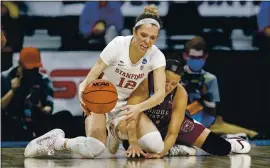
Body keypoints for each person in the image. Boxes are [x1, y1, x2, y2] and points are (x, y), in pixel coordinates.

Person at [25, 5, 167, 158]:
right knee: (94, 149)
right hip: (101, 99)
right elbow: (94, 73)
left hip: (126, 106)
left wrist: (139, 107)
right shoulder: (118, 44)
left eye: (152, 38)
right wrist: (83, 90)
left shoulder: (157, 56)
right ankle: (57, 141)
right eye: (143, 35)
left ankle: (115, 131)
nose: (147, 41)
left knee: (156, 145)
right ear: (134, 31)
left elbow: (160, 94)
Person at [122, 59, 251, 158]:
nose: (168, 87)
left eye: (173, 84)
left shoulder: (180, 92)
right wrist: (133, 142)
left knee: (221, 149)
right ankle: (178, 148)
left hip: (172, 125)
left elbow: (173, 131)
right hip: (147, 127)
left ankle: (230, 141)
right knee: (134, 150)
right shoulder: (144, 84)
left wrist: (161, 153)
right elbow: (131, 115)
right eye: (166, 81)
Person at [181, 36, 259, 138]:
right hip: (181, 118)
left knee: (248, 133)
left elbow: (212, 112)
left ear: (205, 57)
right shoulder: (176, 76)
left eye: (199, 58)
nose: (196, 60)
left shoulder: (210, 79)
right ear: (185, 56)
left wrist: (204, 97)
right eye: (193, 57)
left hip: (205, 121)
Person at [1, 47, 54, 140]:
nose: (32, 71)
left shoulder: (43, 80)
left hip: (35, 120)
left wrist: (41, 108)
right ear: (20, 64)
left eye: (34, 68)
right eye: (29, 68)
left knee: (64, 116)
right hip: (10, 122)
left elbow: (49, 107)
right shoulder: (5, 77)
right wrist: (12, 90)